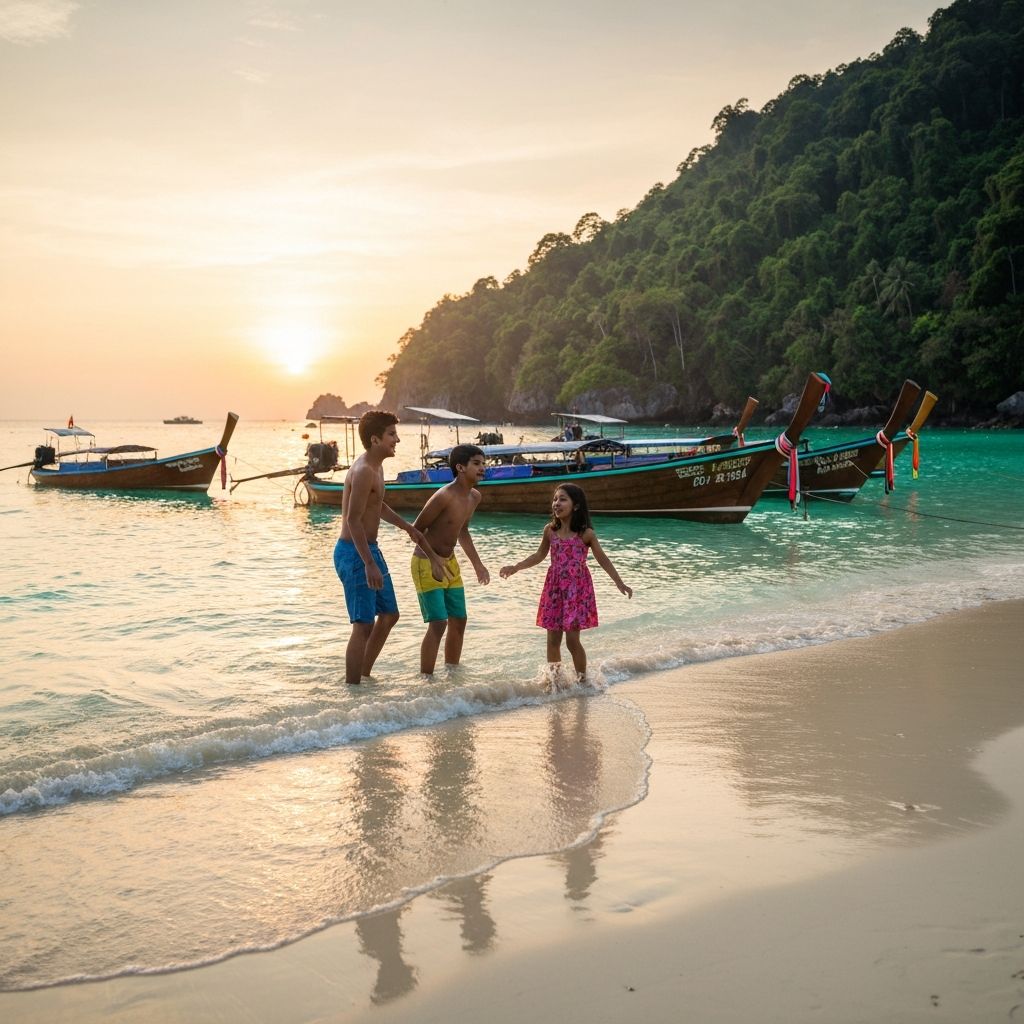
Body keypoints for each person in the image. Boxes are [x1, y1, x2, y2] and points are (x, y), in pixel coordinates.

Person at [334, 410, 442, 686]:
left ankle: (363, 675)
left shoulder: (377, 468)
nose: (397, 439)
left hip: (370, 548)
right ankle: (353, 688)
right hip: (354, 551)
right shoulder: (363, 471)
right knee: (363, 624)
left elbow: (376, 505)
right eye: (392, 434)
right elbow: (353, 520)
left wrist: (407, 527)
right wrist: (369, 563)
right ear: (374, 439)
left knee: (390, 614)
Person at [499, 483, 631, 686]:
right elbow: (539, 555)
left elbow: (602, 559)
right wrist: (516, 567)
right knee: (552, 639)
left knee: (572, 640)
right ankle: (555, 682)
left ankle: (583, 681)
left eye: (562, 499)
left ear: (576, 506)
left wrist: (619, 582)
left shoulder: (586, 534)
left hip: (576, 591)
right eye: (555, 499)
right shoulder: (550, 531)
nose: (556, 503)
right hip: (554, 589)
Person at [410, 443, 491, 675]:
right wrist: (434, 558)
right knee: (438, 623)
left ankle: (452, 674)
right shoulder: (444, 496)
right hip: (425, 562)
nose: (482, 468)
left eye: (483, 463)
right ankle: (427, 678)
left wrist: (478, 565)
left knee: (459, 619)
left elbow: (463, 531)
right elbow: (416, 530)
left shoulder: (474, 497)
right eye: (476, 463)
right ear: (460, 467)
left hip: (450, 562)